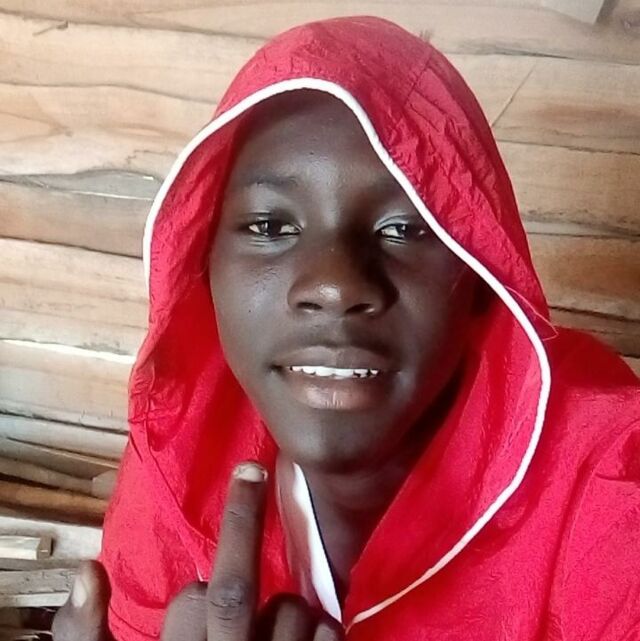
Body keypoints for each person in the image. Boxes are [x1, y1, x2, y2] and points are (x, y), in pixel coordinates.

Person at [52, 16, 640, 641]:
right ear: (203, 267)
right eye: (270, 227)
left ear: (481, 276)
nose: (334, 285)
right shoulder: (186, 448)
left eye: (405, 228)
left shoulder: (610, 475)